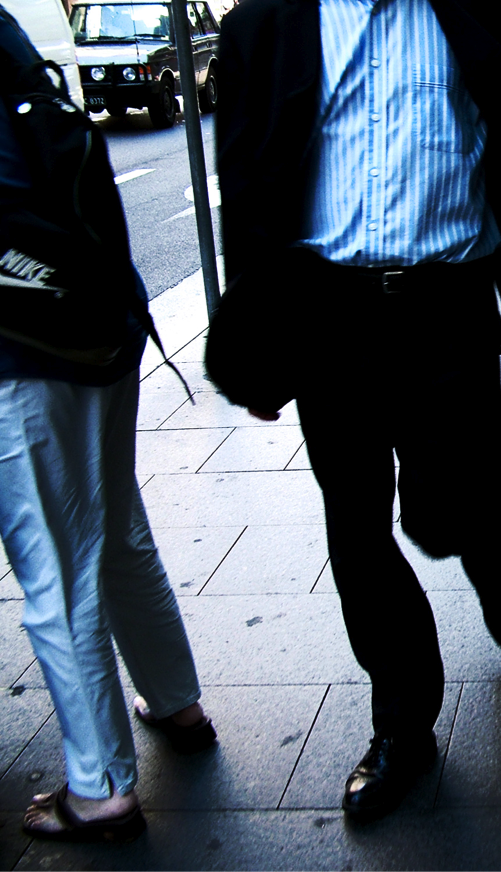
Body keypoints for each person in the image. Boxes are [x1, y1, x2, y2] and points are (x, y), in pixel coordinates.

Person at [213, 0, 501, 822]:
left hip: (448, 306)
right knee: (356, 528)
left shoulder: (477, 10)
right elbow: (247, 184)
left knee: (453, 499)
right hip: (328, 315)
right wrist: (259, 343)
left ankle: (485, 547)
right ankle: (403, 721)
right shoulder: (268, 22)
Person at [0, 8, 214, 844]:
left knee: (57, 564)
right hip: (101, 337)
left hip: (20, 361)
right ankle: (176, 702)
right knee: (118, 529)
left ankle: (100, 787)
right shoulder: (20, 66)